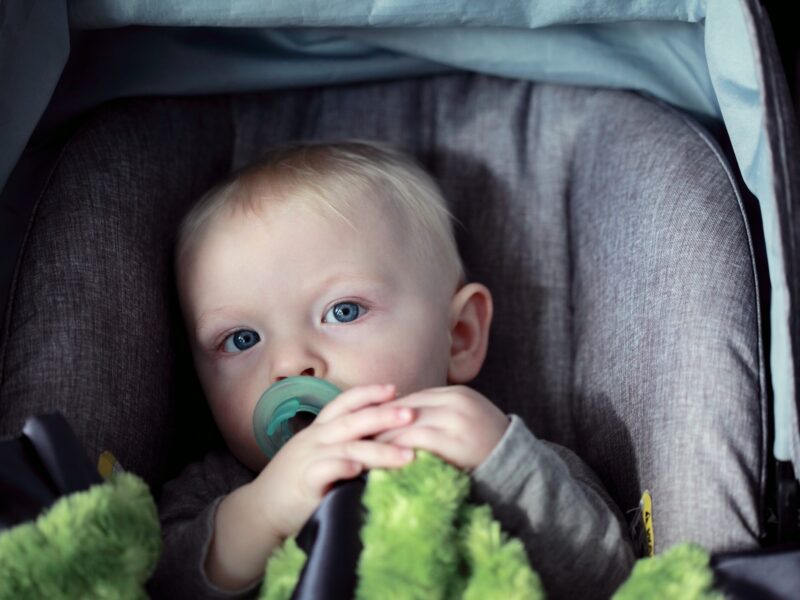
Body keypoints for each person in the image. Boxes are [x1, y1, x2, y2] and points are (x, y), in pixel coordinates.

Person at [152, 140, 635, 598]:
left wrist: (505, 467)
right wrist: (262, 513)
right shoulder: (225, 488)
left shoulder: (499, 456)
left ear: (460, 335)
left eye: (343, 311)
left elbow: (612, 577)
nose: (289, 364)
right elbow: (154, 583)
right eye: (241, 339)